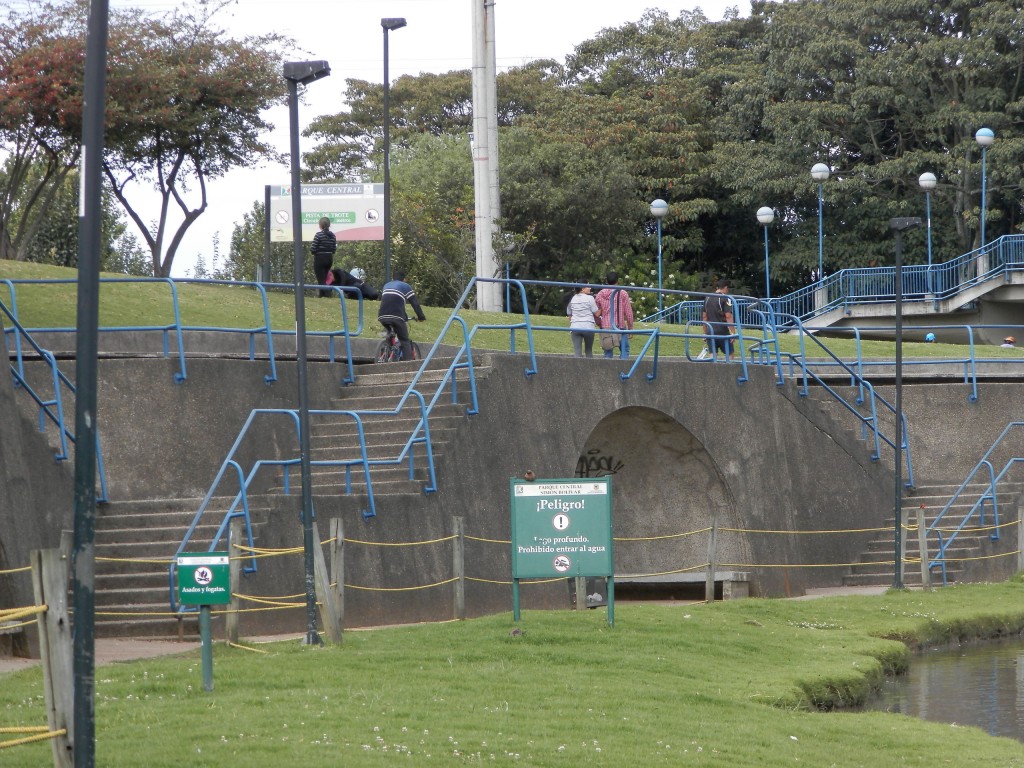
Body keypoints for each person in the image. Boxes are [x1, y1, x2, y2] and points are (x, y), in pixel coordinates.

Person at [377, 270, 426, 360]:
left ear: (393, 278)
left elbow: (390, 302)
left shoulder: (386, 285)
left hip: (382, 316)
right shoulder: (405, 286)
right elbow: (414, 303)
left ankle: (384, 354)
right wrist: (421, 317)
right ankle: (408, 364)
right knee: (404, 340)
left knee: (389, 334)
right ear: (404, 279)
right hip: (397, 316)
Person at [594, 271, 635, 359]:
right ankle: (623, 370)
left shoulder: (600, 294)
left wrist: (599, 323)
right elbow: (628, 313)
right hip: (619, 326)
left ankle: (608, 371)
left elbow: (595, 312)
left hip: (605, 326)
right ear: (617, 280)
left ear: (607, 281)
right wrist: (630, 328)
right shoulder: (622, 293)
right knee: (625, 350)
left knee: (608, 352)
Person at [702, 278, 735, 360]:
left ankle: (712, 372)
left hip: (710, 330)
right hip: (722, 330)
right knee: (730, 354)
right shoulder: (725, 298)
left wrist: (705, 332)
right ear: (726, 287)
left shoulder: (707, 298)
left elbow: (704, 317)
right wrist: (733, 332)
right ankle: (728, 371)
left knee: (712, 354)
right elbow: (728, 316)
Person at [566, 284, 600, 358]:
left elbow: (569, 314)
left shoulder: (573, 298)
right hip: (588, 327)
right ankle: (590, 368)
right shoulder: (590, 298)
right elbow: (597, 313)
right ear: (582, 288)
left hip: (575, 327)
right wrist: (603, 308)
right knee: (588, 351)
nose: (590, 288)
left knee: (577, 353)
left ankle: (577, 369)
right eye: (588, 286)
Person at [310, 217, 337, 297]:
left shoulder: (318, 235)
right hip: (329, 258)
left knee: (321, 279)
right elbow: (334, 249)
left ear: (320, 225)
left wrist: (316, 252)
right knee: (324, 278)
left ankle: (328, 295)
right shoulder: (333, 236)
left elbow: (313, 249)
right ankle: (321, 296)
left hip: (320, 258)